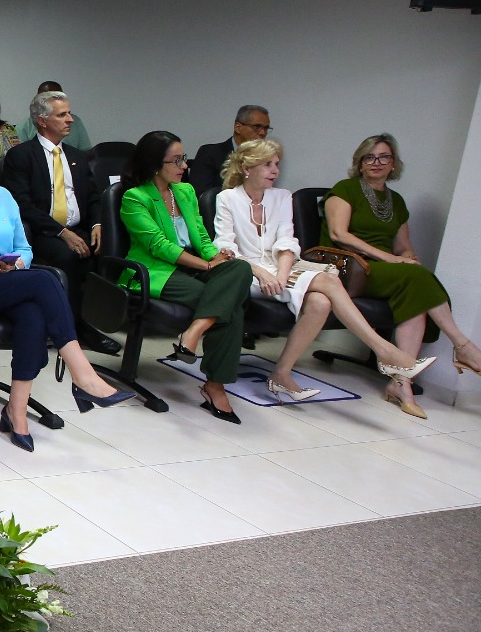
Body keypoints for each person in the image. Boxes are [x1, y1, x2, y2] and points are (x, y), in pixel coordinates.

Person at [0, 128, 134, 450]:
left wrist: (14, 264)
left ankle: (16, 409)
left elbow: (25, 248)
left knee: (33, 312)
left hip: (8, 279)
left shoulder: (4, 197)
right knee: (45, 279)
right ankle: (83, 374)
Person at [214, 138, 432, 404]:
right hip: (245, 272)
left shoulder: (281, 196)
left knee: (320, 302)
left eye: (277, 165)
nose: (275, 171)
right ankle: (385, 351)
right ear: (248, 167)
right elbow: (226, 248)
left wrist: (282, 274)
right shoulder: (227, 198)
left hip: (282, 269)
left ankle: (281, 373)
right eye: (268, 165)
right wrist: (262, 273)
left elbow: (286, 241)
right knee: (328, 280)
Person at [324, 133, 481, 417]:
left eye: (384, 157)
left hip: (384, 269)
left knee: (416, 289)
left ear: (393, 164)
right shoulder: (344, 189)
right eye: (369, 157)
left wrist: (407, 259)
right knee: (416, 280)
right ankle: (464, 347)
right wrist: (391, 258)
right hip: (351, 267)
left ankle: (402, 383)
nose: (376, 162)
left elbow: (403, 247)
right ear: (359, 163)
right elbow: (339, 235)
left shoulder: (396, 201)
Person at [119, 130, 251, 424]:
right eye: (176, 161)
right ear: (155, 164)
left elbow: (202, 237)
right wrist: (206, 267)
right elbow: (159, 246)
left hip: (191, 266)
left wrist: (214, 257)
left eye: (184, 159)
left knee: (240, 268)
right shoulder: (135, 197)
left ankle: (192, 334)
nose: (184, 166)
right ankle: (215, 387)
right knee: (229, 304)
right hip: (154, 270)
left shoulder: (186, 192)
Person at [0, 88, 119, 354]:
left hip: (81, 228)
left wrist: (98, 225)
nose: (70, 120)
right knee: (70, 256)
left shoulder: (77, 156)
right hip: (44, 232)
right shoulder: (22, 156)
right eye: (62, 115)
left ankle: (101, 320)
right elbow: (22, 205)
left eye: (69, 114)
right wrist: (62, 233)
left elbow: (94, 197)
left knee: (107, 252)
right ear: (42, 120)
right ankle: (75, 327)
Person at [190, 104, 272, 195]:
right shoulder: (210, 153)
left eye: (266, 128)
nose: (262, 132)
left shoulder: (264, 160)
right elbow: (202, 195)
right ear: (238, 127)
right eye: (257, 127)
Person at [15, 81, 93, 150]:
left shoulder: (75, 121)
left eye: (58, 96)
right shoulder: (23, 127)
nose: (70, 120)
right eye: (61, 115)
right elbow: (20, 155)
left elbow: (86, 151)